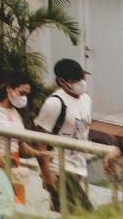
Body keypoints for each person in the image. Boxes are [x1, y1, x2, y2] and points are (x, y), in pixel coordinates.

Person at [0, 71, 54, 203]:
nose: (24, 98)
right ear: (9, 89)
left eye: (27, 95)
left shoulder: (16, 114)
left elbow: (20, 146)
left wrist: (39, 154)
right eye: (21, 93)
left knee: (16, 207)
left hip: (13, 164)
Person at [35, 58, 95, 212]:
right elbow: (39, 140)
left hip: (78, 167)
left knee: (63, 211)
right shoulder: (55, 103)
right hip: (60, 168)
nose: (81, 82)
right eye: (75, 80)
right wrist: (46, 173)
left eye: (82, 78)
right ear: (62, 81)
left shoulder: (86, 99)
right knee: (86, 213)